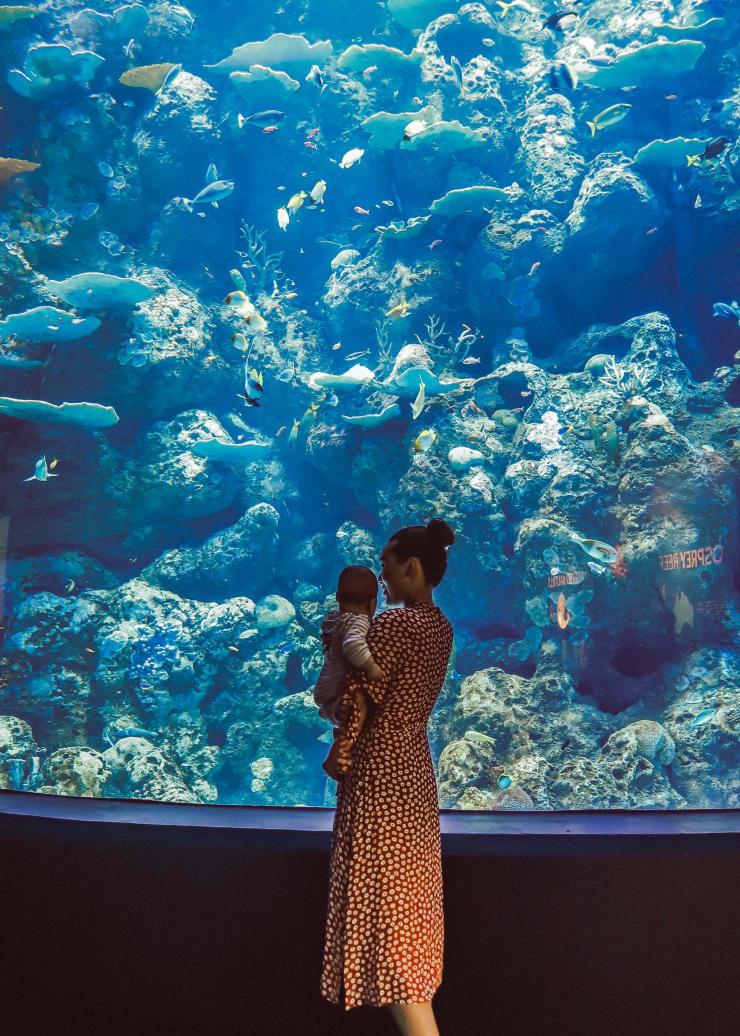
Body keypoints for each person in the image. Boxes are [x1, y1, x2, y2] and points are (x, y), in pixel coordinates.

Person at [320, 517, 455, 1036]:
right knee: (408, 903)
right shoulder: (440, 628)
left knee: (385, 905)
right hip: (414, 768)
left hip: (380, 769)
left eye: (386, 569)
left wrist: (341, 751)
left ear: (412, 569)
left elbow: (359, 697)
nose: (381, 579)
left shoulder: (397, 626)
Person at [313, 565, 385, 781]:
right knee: (359, 704)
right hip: (335, 693)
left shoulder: (337, 618)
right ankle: (336, 759)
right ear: (373, 604)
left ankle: (331, 720)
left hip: (325, 688)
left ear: (337, 597)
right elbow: (353, 644)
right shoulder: (359, 621)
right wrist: (372, 667)